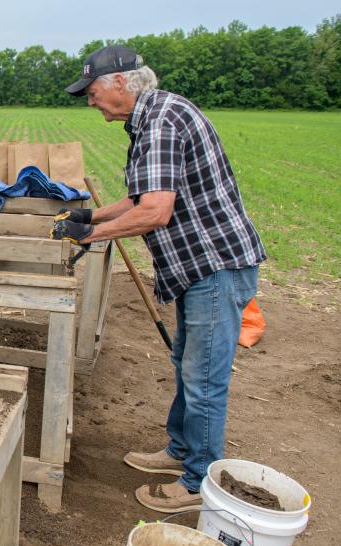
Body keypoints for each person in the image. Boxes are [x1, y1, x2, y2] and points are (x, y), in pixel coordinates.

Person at [54, 46, 266, 512]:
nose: (90, 101)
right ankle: (181, 450)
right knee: (186, 362)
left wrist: (90, 233)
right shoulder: (154, 117)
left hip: (214, 265)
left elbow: (155, 211)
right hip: (198, 267)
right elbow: (140, 198)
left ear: (121, 84)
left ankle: (198, 484)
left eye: (92, 91)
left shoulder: (161, 122)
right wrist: (89, 214)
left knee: (203, 376)